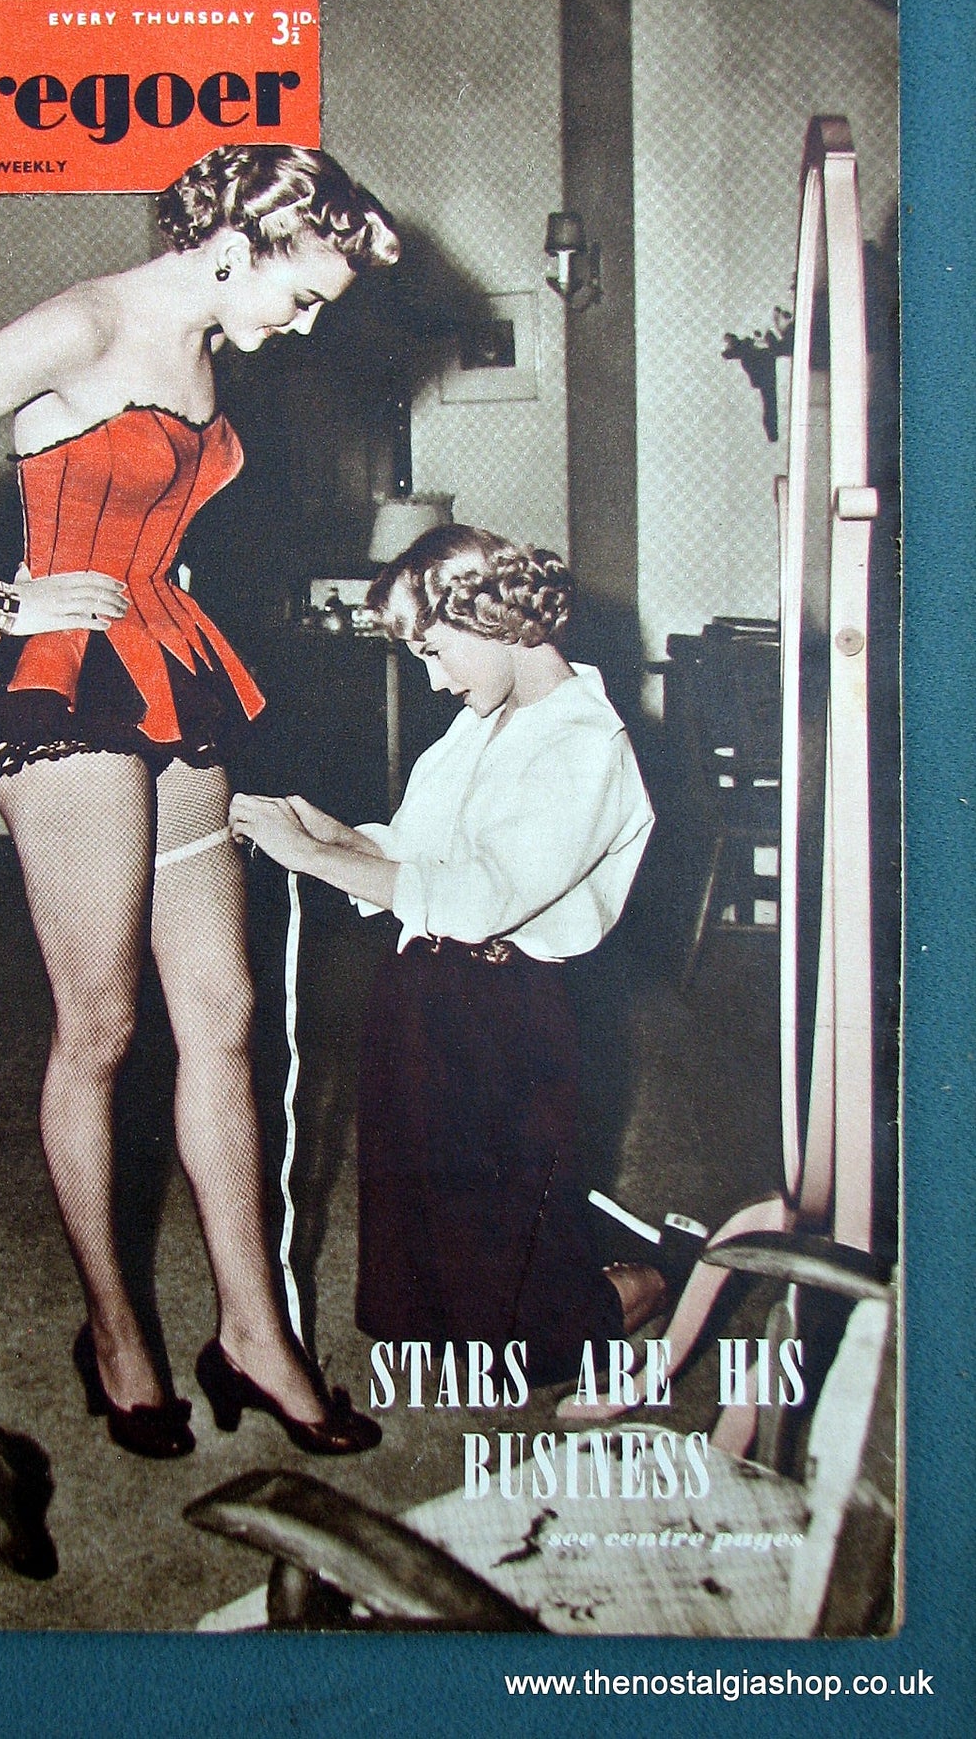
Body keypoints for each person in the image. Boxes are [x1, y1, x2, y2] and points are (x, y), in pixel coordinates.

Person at [0, 144, 396, 1455]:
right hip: (61, 686)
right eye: (302, 295)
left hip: (166, 662)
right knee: (102, 1024)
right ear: (237, 246)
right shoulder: (84, 323)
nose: (305, 324)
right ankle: (115, 1330)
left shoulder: (205, 345)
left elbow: (154, 512)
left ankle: (253, 1331)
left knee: (225, 1010)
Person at [229, 525, 663, 1386]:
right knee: (421, 1253)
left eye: (433, 650)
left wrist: (316, 857)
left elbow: (479, 898)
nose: (433, 679)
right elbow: (417, 855)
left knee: (518, 1311)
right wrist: (328, 833)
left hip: (513, 1008)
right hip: (421, 990)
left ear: (490, 615)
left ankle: (647, 1280)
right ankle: (502, 1289)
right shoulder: (478, 727)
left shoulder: (584, 742)